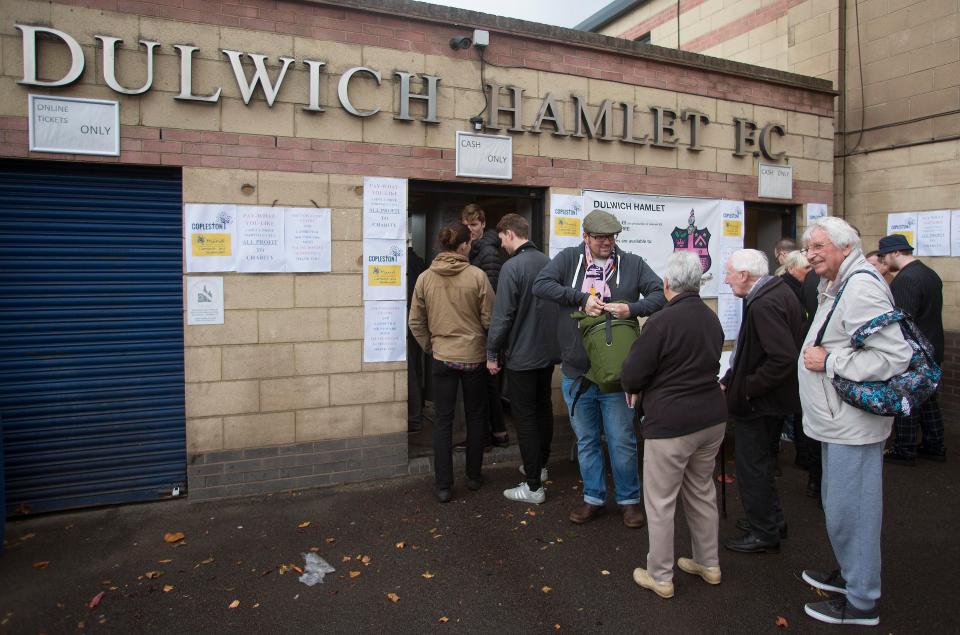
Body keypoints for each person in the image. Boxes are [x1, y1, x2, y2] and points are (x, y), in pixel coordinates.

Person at [798, 217, 912, 626]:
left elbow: (894, 356)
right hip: (837, 421)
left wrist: (830, 360)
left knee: (855, 510)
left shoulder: (860, 287)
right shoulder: (838, 284)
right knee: (839, 504)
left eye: (819, 245)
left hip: (852, 424)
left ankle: (862, 601)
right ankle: (850, 575)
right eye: (808, 246)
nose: (810, 253)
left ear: (846, 248)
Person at [533, 209, 666, 528]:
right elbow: (541, 285)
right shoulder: (568, 259)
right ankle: (593, 497)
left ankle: (629, 501)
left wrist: (630, 308)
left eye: (611, 237)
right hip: (578, 372)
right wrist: (579, 299)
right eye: (600, 237)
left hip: (618, 375)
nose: (607, 243)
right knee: (587, 439)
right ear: (586, 237)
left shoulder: (632, 263)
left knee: (621, 439)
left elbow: (660, 294)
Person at [621, 252, 727, 599]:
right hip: (712, 418)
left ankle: (660, 575)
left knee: (661, 501)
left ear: (666, 285)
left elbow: (633, 372)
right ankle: (708, 563)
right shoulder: (711, 319)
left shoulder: (661, 321)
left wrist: (633, 388)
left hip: (672, 423)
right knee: (701, 491)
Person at [721, 249, 803, 554]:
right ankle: (771, 520)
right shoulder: (776, 291)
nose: (726, 280)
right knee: (763, 464)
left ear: (744, 275)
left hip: (761, 404)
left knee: (752, 467)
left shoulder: (764, 303)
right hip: (772, 401)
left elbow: (782, 359)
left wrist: (746, 389)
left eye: (729, 273)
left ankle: (764, 532)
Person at [408, 223, 494, 503]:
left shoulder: (425, 278)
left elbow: (415, 322)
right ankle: (473, 476)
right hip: (473, 357)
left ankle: (443, 485)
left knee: (443, 422)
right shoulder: (478, 276)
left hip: (442, 357)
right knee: (475, 416)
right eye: (469, 243)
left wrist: (431, 346)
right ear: (464, 246)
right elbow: (490, 320)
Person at [486, 214, 558, 504]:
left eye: (501, 238)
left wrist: (492, 353)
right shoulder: (549, 263)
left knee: (525, 418)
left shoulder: (512, 267)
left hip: (523, 356)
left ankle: (532, 487)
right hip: (547, 353)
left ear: (509, 233)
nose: (501, 244)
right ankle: (539, 468)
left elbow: (502, 317)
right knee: (543, 409)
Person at [878, 234, 946, 465]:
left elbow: (903, 322)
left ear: (896, 253)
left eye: (885, 256)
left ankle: (905, 448)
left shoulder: (906, 279)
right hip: (933, 346)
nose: (884, 263)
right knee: (928, 399)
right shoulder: (929, 273)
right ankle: (935, 444)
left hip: (914, 351)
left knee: (907, 397)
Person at [460, 203, 509, 449]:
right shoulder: (476, 248)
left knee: (487, 385)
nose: (470, 230)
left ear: (483, 224)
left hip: (485, 328)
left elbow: (490, 295)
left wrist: (488, 333)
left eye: (474, 225)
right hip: (483, 327)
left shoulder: (487, 251)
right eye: (467, 225)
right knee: (489, 385)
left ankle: (492, 436)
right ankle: (498, 432)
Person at [780, 250, 821, 497]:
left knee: (804, 411)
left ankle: (807, 461)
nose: (809, 272)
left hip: (809, 356)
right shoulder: (807, 285)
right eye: (805, 268)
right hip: (803, 356)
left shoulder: (810, 282)